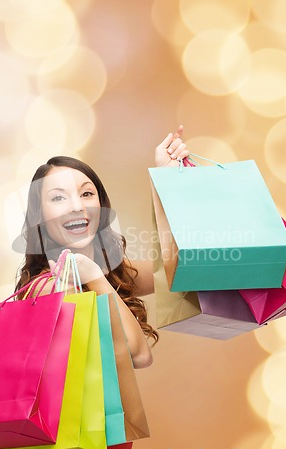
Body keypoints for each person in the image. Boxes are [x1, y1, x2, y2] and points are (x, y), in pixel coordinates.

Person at [15, 126, 190, 369]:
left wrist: (168, 180)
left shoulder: (108, 271)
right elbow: (138, 355)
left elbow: (181, 267)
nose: (77, 206)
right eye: (58, 197)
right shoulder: (52, 287)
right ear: (39, 216)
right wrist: (96, 278)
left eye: (86, 193)